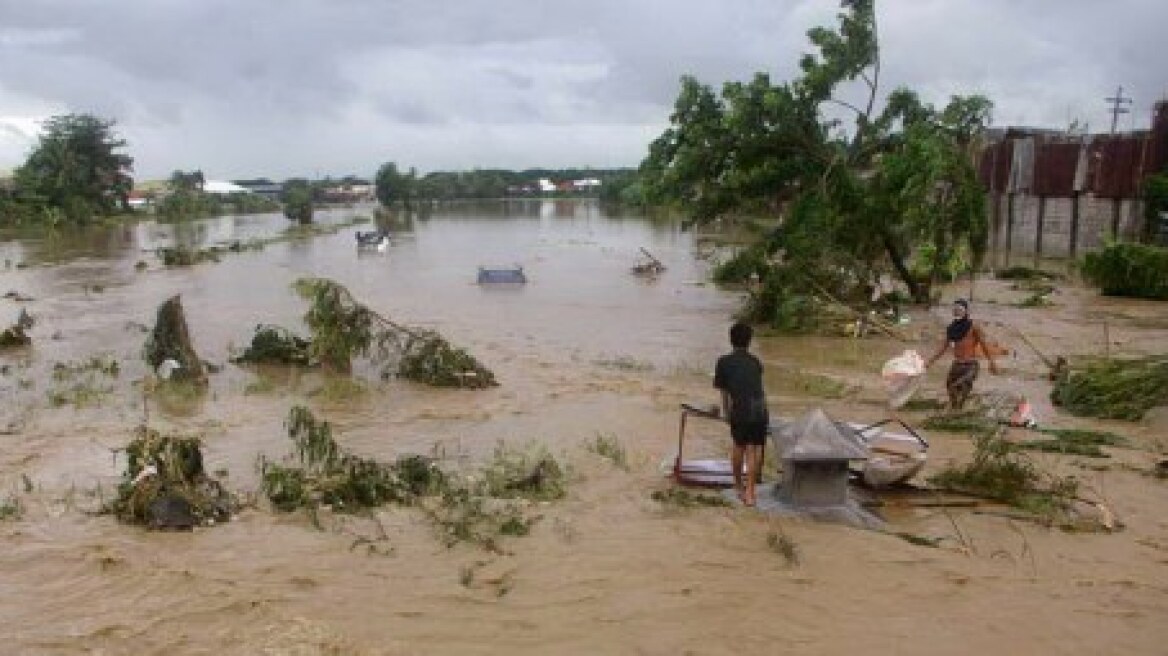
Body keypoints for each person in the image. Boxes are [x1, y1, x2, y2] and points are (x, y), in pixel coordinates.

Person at [713, 322, 769, 506]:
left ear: (731, 340)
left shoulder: (723, 362)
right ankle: (751, 493)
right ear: (749, 341)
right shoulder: (755, 362)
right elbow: (755, 386)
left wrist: (726, 413)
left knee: (739, 446)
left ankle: (738, 486)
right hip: (760, 408)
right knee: (754, 448)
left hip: (742, 408)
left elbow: (724, 392)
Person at [926, 299, 999, 410]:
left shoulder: (974, 326)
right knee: (950, 387)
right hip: (956, 365)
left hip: (970, 365)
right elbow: (943, 348)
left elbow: (983, 344)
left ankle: (961, 408)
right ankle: (956, 411)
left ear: (966, 311)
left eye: (960, 309)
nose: (957, 311)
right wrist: (930, 361)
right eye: (955, 309)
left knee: (960, 385)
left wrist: (992, 362)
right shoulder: (951, 329)